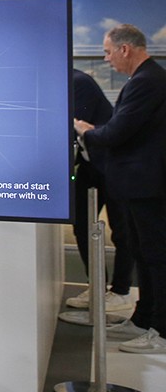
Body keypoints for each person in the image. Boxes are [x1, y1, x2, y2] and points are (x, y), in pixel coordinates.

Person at [75, 24, 166, 354]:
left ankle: (161, 330)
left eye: (108, 52)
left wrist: (87, 132)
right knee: (145, 253)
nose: (106, 59)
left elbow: (117, 132)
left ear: (125, 49)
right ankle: (144, 319)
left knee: (155, 257)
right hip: (140, 185)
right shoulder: (146, 80)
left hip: (147, 187)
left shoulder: (147, 82)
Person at [67, 67, 134, 315]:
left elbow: (73, 125)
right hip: (88, 164)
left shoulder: (78, 82)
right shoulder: (64, 82)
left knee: (122, 229)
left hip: (110, 164)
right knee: (81, 225)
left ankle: (120, 291)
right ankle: (96, 286)